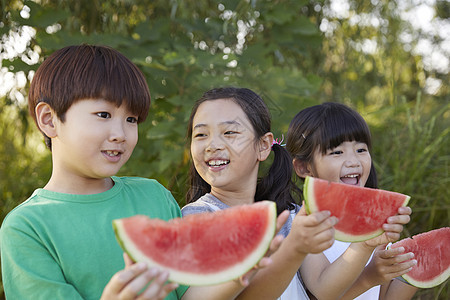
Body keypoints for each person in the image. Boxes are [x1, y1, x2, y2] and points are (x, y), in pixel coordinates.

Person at [0, 45, 286, 300]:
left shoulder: (154, 196)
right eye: (103, 115)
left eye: (131, 119)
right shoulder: (25, 228)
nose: (121, 133)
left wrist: (242, 267)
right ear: (49, 120)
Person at [182, 87, 340, 299]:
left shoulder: (289, 216)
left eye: (229, 132)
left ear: (263, 145)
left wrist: (367, 249)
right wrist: (289, 250)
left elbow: (325, 289)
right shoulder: (196, 219)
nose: (212, 145)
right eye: (201, 134)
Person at [286, 102, 418, 299]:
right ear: (304, 168)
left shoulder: (377, 221)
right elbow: (322, 291)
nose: (353, 161)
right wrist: (366, 251)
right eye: (337, 152)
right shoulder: (302, 223)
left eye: (361, 150)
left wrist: (413, 269)